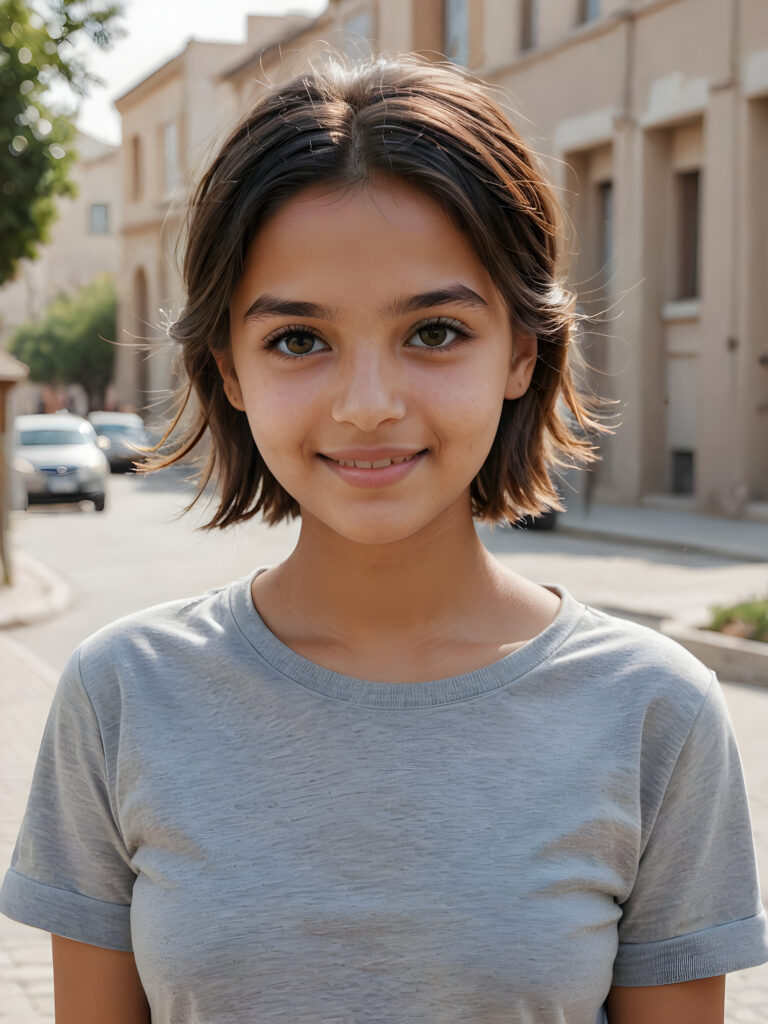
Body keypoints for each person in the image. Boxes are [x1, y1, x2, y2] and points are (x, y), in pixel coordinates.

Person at [1, 56, 766, 1024]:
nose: (368, 405)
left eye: (436, 331)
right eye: (298, 339)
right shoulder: (121, 692)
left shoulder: (655, 711)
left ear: (522, 351)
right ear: (227, 367)